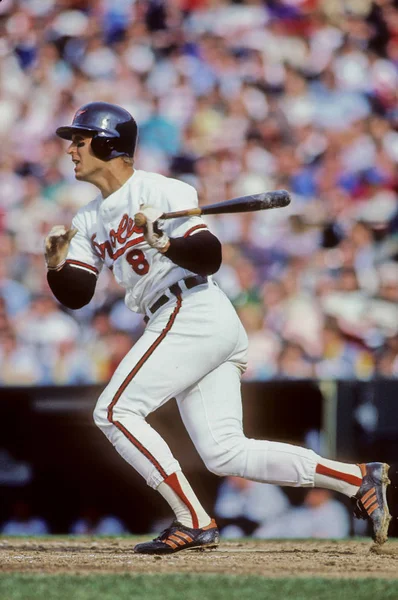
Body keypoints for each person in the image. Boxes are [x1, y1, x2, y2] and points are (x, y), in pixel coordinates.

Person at [44, 101, 391, 555]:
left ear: (109, 143)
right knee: (226, 451)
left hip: (193, 306)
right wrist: (55, 265)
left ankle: (193, 520)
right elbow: (77, 293)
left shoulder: (164, 190)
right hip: (183, 318)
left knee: (112, 412)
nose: (71, 149)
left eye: (80, 139)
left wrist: (164, 240)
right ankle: (357, 478)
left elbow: (210, 255)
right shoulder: (88, 218)